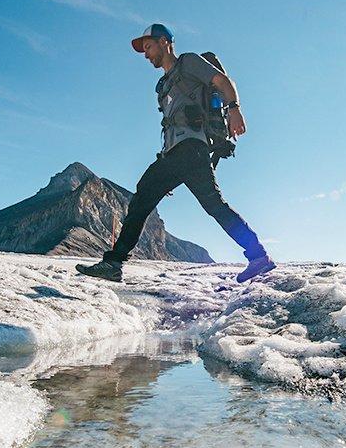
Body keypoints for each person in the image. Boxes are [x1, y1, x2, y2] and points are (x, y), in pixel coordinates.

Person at [76, 23, 274, 283]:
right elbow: (173, 126)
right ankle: (258, 255)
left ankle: (114, 263)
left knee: (147, 194)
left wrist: (235, 107)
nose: (146, 55)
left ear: (164, 42)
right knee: (212, 204)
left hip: (190, 149)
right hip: (181, 153)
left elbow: (223, 82)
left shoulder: (189, 63)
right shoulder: (163, 86)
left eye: (148, 47)